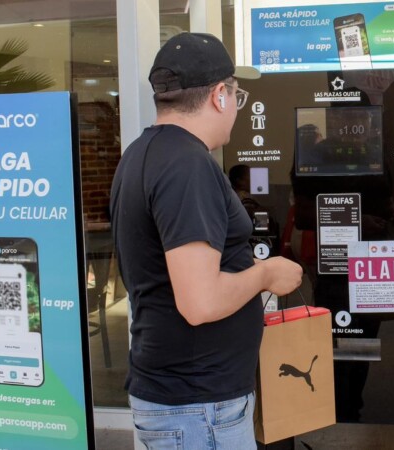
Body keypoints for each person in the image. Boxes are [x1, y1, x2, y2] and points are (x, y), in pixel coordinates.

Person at [110, 32, 302, 449]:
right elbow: (201, 302)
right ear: (219, 95)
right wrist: (267, 273)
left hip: (188, 402)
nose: (236, 106)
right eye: (237, 94)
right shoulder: (187, 166)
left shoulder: (141, 155)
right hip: (198, 409)